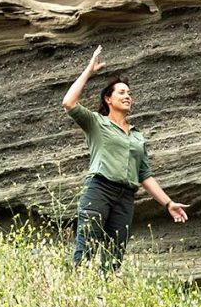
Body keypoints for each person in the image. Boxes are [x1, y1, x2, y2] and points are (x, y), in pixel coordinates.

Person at [62, 45, 189, 269]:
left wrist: (168, 203)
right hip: (100, 189)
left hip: (126, 198)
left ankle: (102, 299)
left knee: (114, 258)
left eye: (129, 93)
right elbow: (69, 103)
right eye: (121, 92)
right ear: (108, 100)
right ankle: (75, 296)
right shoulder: (96, 123)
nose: (127, 96)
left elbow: (144, 174)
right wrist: (89, 71)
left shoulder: (137, 135)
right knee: (86, 249)